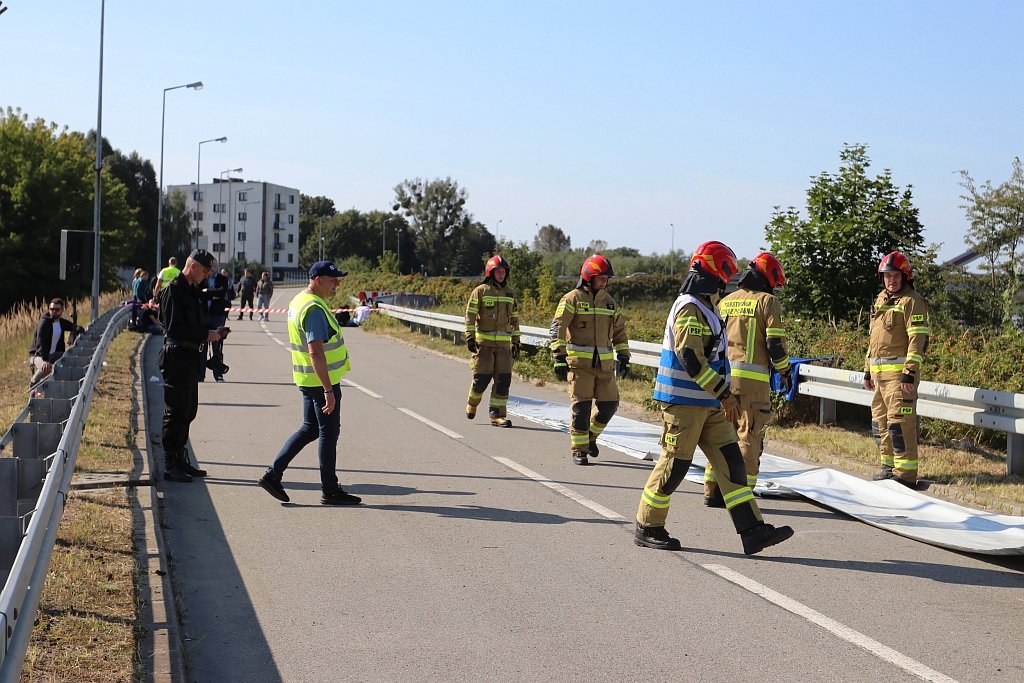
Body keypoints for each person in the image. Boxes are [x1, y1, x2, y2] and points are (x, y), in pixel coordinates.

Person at [634, 241, 794, 555]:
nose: (726, 280)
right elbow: (690, 358)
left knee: (732, 463)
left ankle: (752, 530)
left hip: (708, 403)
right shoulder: (690, 306)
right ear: (711, 270)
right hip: (684, 402)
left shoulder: (709, 305)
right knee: (674, 467)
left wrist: (720, 396)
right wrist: (724, 394)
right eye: (724, 273)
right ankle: (648, 525)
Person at [257, 260, 361, 506]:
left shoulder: (300, 301)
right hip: (320, 381)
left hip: (307, 378)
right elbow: (315, 352)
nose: (337, 283)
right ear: (317, 279)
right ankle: (330, 490)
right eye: (332, 279)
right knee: (328, 432)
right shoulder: (314, 308)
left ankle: (273, 475)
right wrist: (328, 390)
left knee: (310, 429)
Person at [705, 252, 792, 507]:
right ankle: (742, 497)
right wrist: (785, 372)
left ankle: (712, 490)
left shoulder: (726, 301)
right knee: (749, 436)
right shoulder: (768, 302)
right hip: (753, 384)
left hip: (723, 381)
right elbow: (775, 344)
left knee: (721, 436)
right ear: (768, 278)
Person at [549, 254, 630, 465]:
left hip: (604, 367)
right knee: (581, 408)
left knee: (610, 405)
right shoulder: (571, 299)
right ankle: (579, 450)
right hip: (579, 366)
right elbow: (558, 327)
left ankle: (590, 437)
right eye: (601, 277)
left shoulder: (610, 303)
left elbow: (619, 331)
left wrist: (624, 355)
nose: (604, 281)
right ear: (588, 277)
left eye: (606, 278)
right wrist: (559, 356)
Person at [158, 249, 230, 482]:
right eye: (206, 270)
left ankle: (181, 458)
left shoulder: (193, 290)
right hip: (177, 356)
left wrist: (214, 332)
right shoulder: (173, 290)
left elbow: (198, 322)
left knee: (189, 411)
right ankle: (170, 464)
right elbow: (172, 327)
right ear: (193, 266)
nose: (208, 275)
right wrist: (205, 334)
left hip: (191, 357)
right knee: (176, 411)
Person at [865, 251, 930, 488]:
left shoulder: (912, 301)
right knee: (880, 423)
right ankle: (888, 467)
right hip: (878, 375)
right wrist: (867, 369)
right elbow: (874, 339)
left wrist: (909, 372)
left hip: (899, 376)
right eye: (887, 275)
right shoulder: (881, 300)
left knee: (899, 424)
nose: (891, 280)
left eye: (895, 275)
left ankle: (905, 475)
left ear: (905, 277)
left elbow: (918, 339)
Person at [464, 255, 521, 427]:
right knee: (481, 380)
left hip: (503, 347)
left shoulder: (510, 294)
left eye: (504, 271)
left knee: (503, 381)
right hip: (484, 346)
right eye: (498, 271)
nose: (501, 274)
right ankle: (472, 403)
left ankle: (497, 415)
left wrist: (516, 342)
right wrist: (470, 337)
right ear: (491, 272)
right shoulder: (480, 291)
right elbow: (470, 315)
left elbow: (515, 320)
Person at [28, 298, 85, 386]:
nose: (54, 311)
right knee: (46, 368)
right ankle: (33, 383)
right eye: (51, 309)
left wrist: (72, 335)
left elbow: (78, 328)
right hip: (38, 355)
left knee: (69, 358)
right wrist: (45, 360)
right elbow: (40, 343)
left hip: (53, 354)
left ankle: (74, 384)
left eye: (57, 309)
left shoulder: (61, 322)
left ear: (62, 310)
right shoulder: (44, 322)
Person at [200, 268, 233, 382]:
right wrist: (211, 294)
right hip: (204, 315)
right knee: (202, 346)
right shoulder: (201, 278)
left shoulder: (222, 279)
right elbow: (199, 293)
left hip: (217, 315)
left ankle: (218, 374)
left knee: (217, 345)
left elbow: (222, 292)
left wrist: (207, 292)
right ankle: (200, 374)